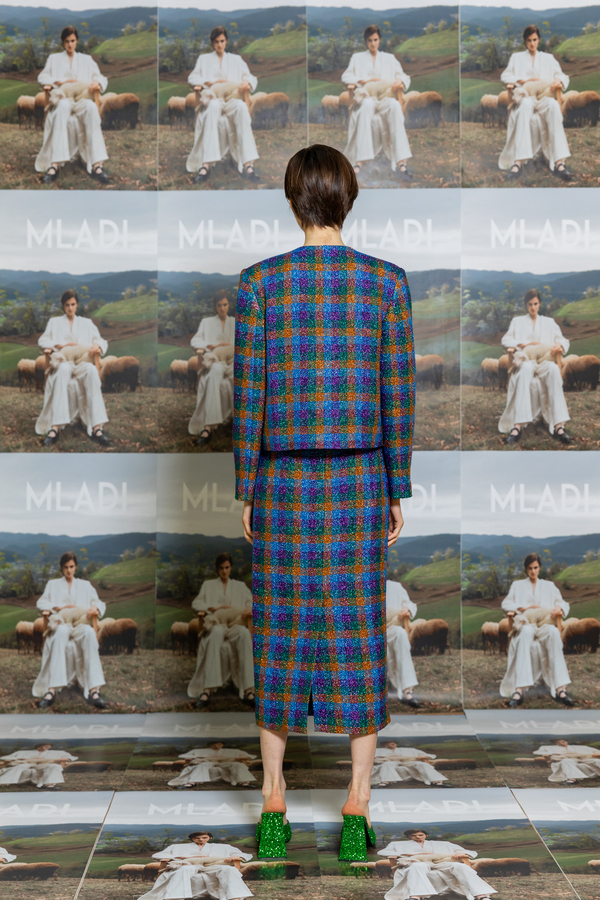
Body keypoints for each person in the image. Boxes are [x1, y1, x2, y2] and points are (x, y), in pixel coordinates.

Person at [233, 144, 414, 860]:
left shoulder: (260, 284)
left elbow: (249, 399)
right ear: (348, 199)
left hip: (282, 483)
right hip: (359, 483)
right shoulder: (386, 283)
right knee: (357, 635)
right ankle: (357, 806)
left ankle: (273, 803)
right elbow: (398, 397)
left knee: (278, 638)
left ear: (292, 201)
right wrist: (396, 484)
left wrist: (247, 485)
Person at [32, 551, 107, 709]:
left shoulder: (85, 585)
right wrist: (57, 607)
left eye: (71, 567)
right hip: (62, 624)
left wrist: (94, 608)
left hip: (80, 624)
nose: (69, 570)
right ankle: (52, 690)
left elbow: (99, 603)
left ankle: (93, 690)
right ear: (62, 568)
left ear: (76, 567)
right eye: (65, 567)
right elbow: (40, 603)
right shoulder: (52, 584)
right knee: (60, 632)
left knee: (89, 633)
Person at [35, 289, 110, 447]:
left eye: (73, 304)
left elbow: (101, 341)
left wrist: (96, 346)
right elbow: (42, 341)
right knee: (62, 370)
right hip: (64, 362)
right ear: (63, 306)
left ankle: (97, 427)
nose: (70, 308)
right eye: (67, 305)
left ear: (77, 305)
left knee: (91, 371)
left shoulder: (86, 323)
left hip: (82, 362)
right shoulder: (54, 322)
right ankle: (55, 427)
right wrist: (59, 344)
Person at [36, 25, 109, 184]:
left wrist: (96, 83)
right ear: (63, 42)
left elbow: (101, 78)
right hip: (64, 98)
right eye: (67, 41)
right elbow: (42, 77)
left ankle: (96, 165)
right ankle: (55, 165)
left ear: (77, 41)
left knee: (91, 108)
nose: (70, 45)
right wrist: (58, 81)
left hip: (82, 99)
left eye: (73, 41)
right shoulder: (54, 59)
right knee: (61, 107)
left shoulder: (86, 60)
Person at [500, 552, 573, 709]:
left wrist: (559, 609)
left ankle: (560, 689)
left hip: (544, 624)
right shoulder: (517, 585)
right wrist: (522, 607)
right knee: (525, 633)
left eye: (535, 568)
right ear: (526, 569)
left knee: (554, 633)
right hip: (527, 624)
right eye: (530, 568)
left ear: (540, 568)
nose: (533, 571)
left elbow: (563, 603)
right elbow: (505, 604)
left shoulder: (549, 586)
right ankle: (519, 690)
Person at [186, 26, 259, 183]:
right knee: (212, 108)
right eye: (216, 42)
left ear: (226, 41)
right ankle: (206, 164)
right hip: (214, 99)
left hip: (232, 99)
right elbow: (192, 78)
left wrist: (246, 82)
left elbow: (251, 77)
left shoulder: (236, 60)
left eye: (222, 41)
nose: (219, 45)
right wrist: (208, 82)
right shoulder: (203, 59)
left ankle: (248, 164)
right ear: (212, 43)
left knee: (241, 107)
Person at [499, 25, 571, 181]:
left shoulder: (548, 58)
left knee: (553, 106)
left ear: (539, 40)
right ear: (525, 42)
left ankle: (559, 162)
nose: (532, 44)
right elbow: (505, 76)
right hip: (526, 97)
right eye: (529, 40)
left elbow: (563, 76)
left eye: (535, 40)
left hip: (544, 97)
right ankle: (518, 162)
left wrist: (559, 81)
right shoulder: (516, 57)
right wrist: (521, 80)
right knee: (524, 106)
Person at [499, 289, 571, 445]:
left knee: (553, 369)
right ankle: (517, 426)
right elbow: (506, 340)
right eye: (530, 304)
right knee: (525, 369)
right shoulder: (517, 321)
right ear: (526, 305)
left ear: (540, 304)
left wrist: (558, 345)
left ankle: (558, 426)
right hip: (526, 360)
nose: (533, 307)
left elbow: (563, 340)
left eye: (536, 304)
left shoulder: (549, 322)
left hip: (544, 361)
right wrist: (521, 344)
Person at [342, 25, 412, 180]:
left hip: (385, 97)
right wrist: (362, 80)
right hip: (368, 97)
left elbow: (404, 76)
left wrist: (399, 81)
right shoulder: (357, 58)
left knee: (395, 106)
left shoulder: (389, 58)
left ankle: (401, 162)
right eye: (370, 40)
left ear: (379, 40)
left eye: (375, 40)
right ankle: (360, 161)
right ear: (366, 42)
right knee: (366, 106)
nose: (373, 44)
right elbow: (346, 76)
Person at [187, 553, 255, 709]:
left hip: (235, 625)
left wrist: (248, 609)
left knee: (244, 634)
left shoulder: (240, 586)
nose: (224, 571)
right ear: (217, 569)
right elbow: (196, 603)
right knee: (215, 634)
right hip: (217, 624)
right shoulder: (208, 585)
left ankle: (248, 690)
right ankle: (207, 690)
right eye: (221, 568)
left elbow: (251, 602)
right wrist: (211, 608)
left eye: (227, 567)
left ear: (231, 568)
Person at [378, 828, 496, 900]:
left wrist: (462, 853)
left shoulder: (442, 844)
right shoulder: (397, 844)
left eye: (420, 835)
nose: (417, 837)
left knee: (460, 866)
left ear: (426, 835)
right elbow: (383, 852)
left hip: (441, 862)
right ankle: (416, 896)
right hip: (417, 861)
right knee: (416, 867)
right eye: (413, 835)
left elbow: (469, 851)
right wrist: (405, 854)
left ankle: (481, 895)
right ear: (409, 836)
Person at [138, 830, 253, 900]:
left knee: (228, 870)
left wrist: (235, 856)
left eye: (204, 837)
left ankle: (234, 897)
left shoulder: (223, 847)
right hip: (189, 864)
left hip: (213, 866)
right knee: (184, 870)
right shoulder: (177, 847)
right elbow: (158, 855)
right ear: (193, 839)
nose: (201, 840)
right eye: (197, 838)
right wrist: (183, 857)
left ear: (210, 838)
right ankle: (174, 897)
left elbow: (244, 854)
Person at [188, 291, 235, 447]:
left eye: (225, 305)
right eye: (219, 305)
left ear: (229, 305)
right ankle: (208, 427)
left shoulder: (236, 323)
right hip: (214, 360)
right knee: (214, 371)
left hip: (233, 361)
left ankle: (244, 422)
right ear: (215, 306)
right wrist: (211, 345)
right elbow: (195, 340)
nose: (222, 308)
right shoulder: (206, 322)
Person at [168, 741, 257, 789]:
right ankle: (192, 782)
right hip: (207, 762)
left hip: (225, 763)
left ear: (222, 744)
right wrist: (200, 758)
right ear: (210, 745)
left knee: (237, 765)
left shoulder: (232, 751)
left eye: (219, 744)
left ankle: (243, 782)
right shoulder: (200, 751)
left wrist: (237, 758)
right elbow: (186, 756)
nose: (216, 746)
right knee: (203, 765)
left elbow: (247, 756)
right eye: (214, 745)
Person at [386, 580, 419, 707]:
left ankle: (407, 691)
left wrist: (406, 609)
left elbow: (410, 604)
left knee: (401, 634)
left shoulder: (395, 587)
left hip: (392, 628)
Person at [0, 742, 77, 790]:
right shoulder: (23, 752)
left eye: (47, 746)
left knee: (55, 766)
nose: (44, 747)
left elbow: (69, 758)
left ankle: (49, 785)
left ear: (49, 746)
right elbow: (7, 758)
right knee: (22, 766)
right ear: (37, 746)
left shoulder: (57, 752)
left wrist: (56, 759)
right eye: (41, 746)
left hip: (43, 765)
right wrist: (26, 758)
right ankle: (2, 782)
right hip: (27, 764)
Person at [372, 741, 448, 788]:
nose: (390, 745)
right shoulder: (378, 750)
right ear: (384, 745)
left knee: (421, 764)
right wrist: (386, 757)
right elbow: (371, 757)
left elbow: (426, 755)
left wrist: (419, 757)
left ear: (396, 744)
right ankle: (385, 782)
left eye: (392, 743)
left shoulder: (407, 750)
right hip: (388, 761)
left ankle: (436, 781)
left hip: (407, 762)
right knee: (388, 764)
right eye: (387, 744)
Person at [533, 739, 600, 784]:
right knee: (567, 761)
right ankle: (572, 779)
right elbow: (539, 753)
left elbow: (597, 752)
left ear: (567, 741)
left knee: (596, 761)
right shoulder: (549, 748)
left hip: (579, 759)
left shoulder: (578, 747)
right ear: (555, 743)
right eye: (558, 742)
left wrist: (584, 755)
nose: (560, 742)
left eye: (563, 741)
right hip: (561, 761)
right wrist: (552, 755)